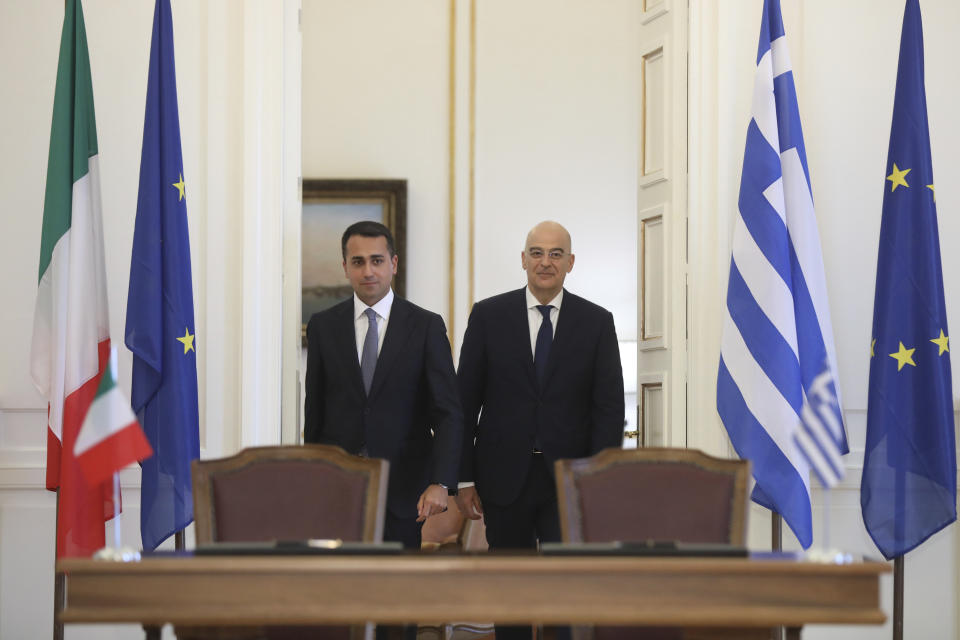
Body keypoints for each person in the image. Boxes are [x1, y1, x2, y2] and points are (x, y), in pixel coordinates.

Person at [455, 220, 625, 639]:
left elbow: (608, 410)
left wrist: (598, 481)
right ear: (523, 260)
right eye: (536, 253)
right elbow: (463, 403)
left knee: (563, 591)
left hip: (568, 480)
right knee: (509, 589)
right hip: (502, 476)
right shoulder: (488, 316)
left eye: (554, 254)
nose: (544, 262)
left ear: (570, 263)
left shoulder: (597, 322)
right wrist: (462, 476)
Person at [304, 220, 462, 552]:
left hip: (404, 490)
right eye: (358, 262)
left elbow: (447, 413)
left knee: (396, 591)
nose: (368, 271)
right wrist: (314, 478)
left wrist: (441, 482)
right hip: (339, 487)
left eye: (377, 260)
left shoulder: (426, 326)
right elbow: (315, 410)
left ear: (393, 264)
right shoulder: (323, 326)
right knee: (339, 589)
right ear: (345, 267)